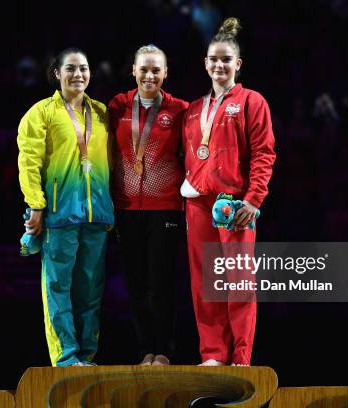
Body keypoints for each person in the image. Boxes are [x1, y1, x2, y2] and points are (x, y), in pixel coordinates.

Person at [182, 18, 276, 366]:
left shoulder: (252, 101)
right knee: (205, 286)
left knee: (238, 282)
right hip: (198, 205)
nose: (219, 66)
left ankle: (240, 355)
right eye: (213, 60)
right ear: (205, 63)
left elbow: (264, 153)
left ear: (237, 64)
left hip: (234, 203)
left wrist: (253, 200)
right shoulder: (193, 110)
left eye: (226, 60)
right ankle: (212, 354)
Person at [17, 47, 114, 367]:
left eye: (84, 68)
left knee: (90, 291)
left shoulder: (101, 113)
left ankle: (86, 355)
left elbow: (112, 162)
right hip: (59, 213)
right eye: (70, 68)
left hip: (96, 213)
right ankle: (66, 356)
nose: (78, 75)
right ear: (56, 73)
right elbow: (29, 161)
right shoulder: (41, 113)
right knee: (58, 288)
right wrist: (36, 205)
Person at [108, 45, 189, 366]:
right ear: (133, 71)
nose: (150, 75)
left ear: (166, 73)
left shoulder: (180, 110)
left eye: (156, 70)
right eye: (144, 69)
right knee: (136, 282)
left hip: (165, 206)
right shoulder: (117, 106)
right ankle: (145, 350)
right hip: (126, 207)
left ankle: (165, 350)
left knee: (162, 281)